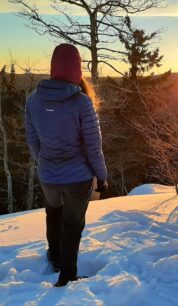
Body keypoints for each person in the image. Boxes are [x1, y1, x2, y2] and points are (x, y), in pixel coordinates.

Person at [25, 43, 108, 287]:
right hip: (78, 178)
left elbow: (32, 140)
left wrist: (44, 161)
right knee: (72, 224)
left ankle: (56, 259)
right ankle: (67, 275)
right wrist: (101, 177)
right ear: (76, 69)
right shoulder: (81, 102)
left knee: (53, 214)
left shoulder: (33, 100)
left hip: (48, 175)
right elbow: (93, 146)